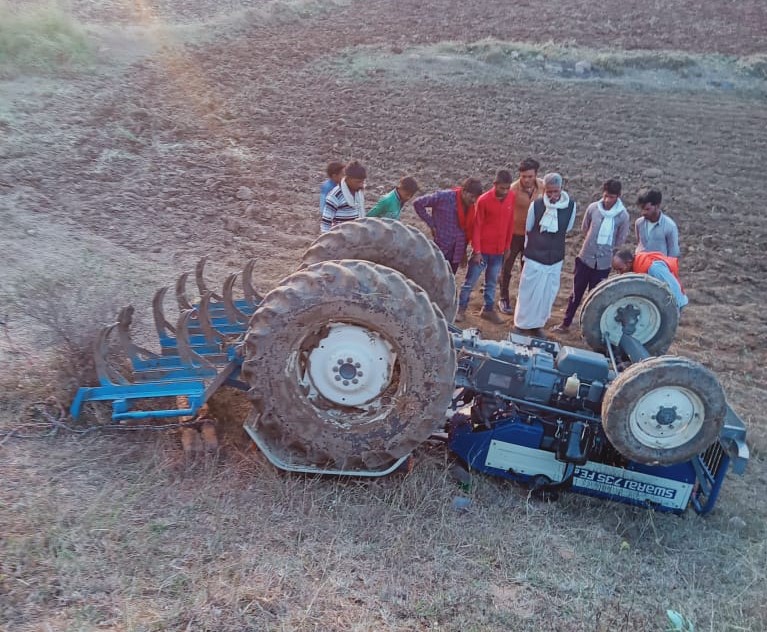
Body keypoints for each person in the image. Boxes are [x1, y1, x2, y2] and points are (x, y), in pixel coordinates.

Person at [552, 179, 630, 332]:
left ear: (619, 196)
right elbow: (585, 228)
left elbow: (620, 239)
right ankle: (565, 323)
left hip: (603, 263)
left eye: (612, 197)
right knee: (576, 293)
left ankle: (588, 329)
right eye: (606, 196)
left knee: (595, 298)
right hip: (585, 258)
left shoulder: (623, 216)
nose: (608, 200)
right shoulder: (593, 208)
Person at [513, 172, 577, 336]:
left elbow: (567, 228)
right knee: (528, 291)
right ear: (544, 191)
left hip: (554, 259)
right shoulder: (537, 205)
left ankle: (537, 325)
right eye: (549, 192)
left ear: (561, 189)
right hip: (534, 257)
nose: (553, 195)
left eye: (556, 191)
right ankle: (521, 324)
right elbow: (529, 228)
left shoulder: (570, 206)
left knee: (546, 294)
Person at [456, 170, 515, 324]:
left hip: (498, 251)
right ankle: (461, 308)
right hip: (482, 251)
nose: (505, 191)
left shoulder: (511, 198)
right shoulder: (483, 200)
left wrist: (507, 246)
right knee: (470, 282)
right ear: (495, 184)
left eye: (507, 188)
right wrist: (477, 251)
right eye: (502, 188)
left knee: (492, 282)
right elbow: (477, 227)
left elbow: (510, 223)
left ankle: (488, 309)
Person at [498, 158, 545, 315]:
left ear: (536, 175)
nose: (526, 180)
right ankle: (503, 298)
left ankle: (524, 299)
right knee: (507, 267)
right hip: (513, 235)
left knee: (528, 269)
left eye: (530, 176)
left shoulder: (543, 187)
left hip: (532, 235)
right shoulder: (512, 189)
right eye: (523, 176)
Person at [413, 177, 484, 273]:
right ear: (463, 191)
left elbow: (466, 231)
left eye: (476, 198)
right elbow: (418, 203)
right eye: (472, 196)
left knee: (450, 278)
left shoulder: (471, 208)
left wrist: (463, 253)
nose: (474, 200)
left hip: (457, 252)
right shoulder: (444, 197)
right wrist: (432, 224)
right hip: (441, 248)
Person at [612, 249, 688, 310]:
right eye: (616, 270)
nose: (619, 273)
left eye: (620, 269)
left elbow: (673, 286)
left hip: (676, 303)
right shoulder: (636, 269)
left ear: (628, 263)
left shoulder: (654, 268)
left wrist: (675, 310)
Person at [320, 160, 366, 233]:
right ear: (348, 179)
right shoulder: (335, 196)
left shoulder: (358, 193)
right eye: (358, 182)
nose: (361, 185)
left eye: (363, 181)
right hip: (340, 239)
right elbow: (326, 224)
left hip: (357, 237)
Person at [635, 188, 680, 257]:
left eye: (647, 209)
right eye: (642, 209)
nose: (643, 212)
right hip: (640, 264)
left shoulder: (670, 226)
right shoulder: (639, 223)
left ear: (657, 206)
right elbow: (639, 243)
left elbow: (673, 253)